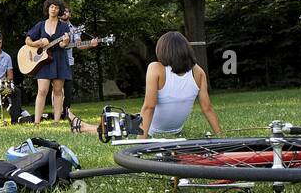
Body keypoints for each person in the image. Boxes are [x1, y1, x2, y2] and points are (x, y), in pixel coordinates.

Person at [71, 31, 222, 138]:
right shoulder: (198, 71)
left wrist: (140, 143)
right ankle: (83, 126)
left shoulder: (156, 68)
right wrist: (221, 137)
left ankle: (83, 126)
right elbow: (207, 108)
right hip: (175, 129)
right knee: (129, 118)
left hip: (153, 129)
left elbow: (149, 107)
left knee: (120, 123)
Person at [24, 0, 72, 124]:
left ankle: (56, 121)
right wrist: (37, 43)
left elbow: (62, 45)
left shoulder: (64, 26)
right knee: (42, 90)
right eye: (51, 7)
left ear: (59, 10)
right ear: (48, 8)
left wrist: (65, 42)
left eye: (56, 7)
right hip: (43, 61)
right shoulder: (40, 25)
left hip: (59, 59)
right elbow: (28, 40)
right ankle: (36, 122)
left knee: (57, 91)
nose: (54, 9)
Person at [58, 5, 101, 119]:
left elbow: (79, 45)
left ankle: (66, 112)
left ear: (70, 14)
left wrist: (90, 44)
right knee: (56, 89)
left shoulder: (74, 29)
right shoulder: (52, 26)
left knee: (67, 88)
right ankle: (56, 111)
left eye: (67, 11)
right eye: (62, 11)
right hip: (53, 61)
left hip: (68, 62)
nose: (64, 13)